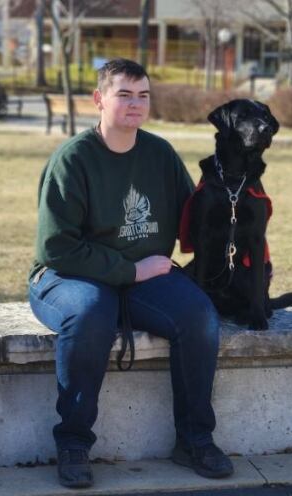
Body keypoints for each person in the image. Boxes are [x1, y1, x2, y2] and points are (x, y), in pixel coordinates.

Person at [28, 59, 233, 489]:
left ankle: (194, 440)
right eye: (124, 94)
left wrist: (238, 211)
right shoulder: (73, 159)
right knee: (89, 314)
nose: (135, 104)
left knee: (198, 315)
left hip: (145, 276)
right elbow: (56, 247)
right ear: (99, 100)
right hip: (67, 278)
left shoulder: (159, 154)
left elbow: (192, 220)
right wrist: (128, 270)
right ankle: (73, 443)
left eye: (143, 95)